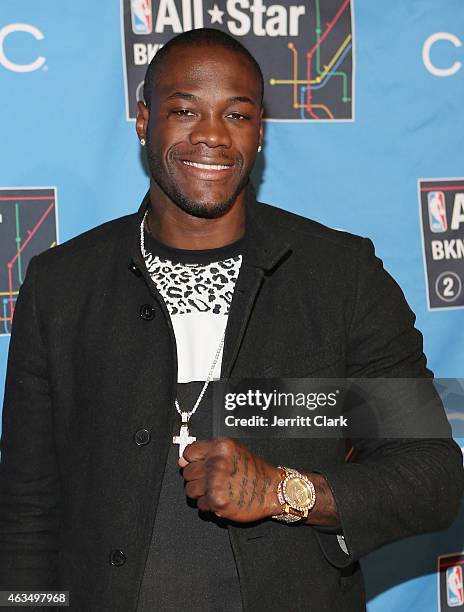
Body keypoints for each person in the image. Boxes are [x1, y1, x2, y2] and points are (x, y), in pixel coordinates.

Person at [0, 28, 462, 612]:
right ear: (145, 121)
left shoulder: (342, 276)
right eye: (185, 110)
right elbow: (27, 509)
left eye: (236, 114)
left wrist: (285, 491)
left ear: (260, 132)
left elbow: (433, 476)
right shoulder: (62, 285)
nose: (212, 135)